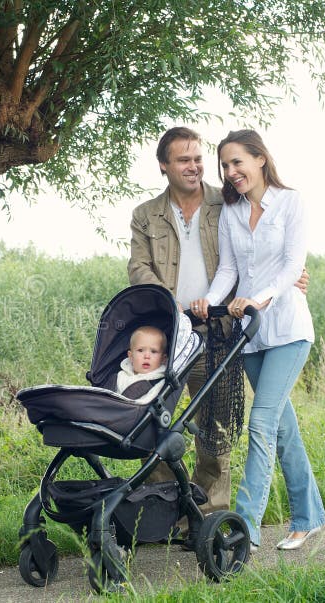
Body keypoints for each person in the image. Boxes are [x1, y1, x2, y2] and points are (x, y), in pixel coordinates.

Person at [190, 129, 325, 551]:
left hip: (286, 330)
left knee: (262, 424)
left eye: (237, 163)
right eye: (225, 166)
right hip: (249, 339)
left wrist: (259, 299)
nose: (231, 173)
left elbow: (291, 267)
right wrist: (208, 301)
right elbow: (228, 270)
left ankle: (243, 529)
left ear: (260, 159)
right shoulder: (231, 213)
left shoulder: (291, 203)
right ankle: (308, 517)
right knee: (284, 431)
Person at [128, 127, 235, 519]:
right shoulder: (145, 215)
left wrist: (295, 272)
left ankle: (211, 514)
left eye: (197, 158)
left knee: (214, 424)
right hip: (169, 335)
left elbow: (257, 246)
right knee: (156, 418)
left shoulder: (225, 203)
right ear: (164, 166)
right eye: (183, 160)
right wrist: (169, 303)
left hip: (218, 332)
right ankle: (166, 511)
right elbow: (138, 266)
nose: (194, 167)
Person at [113, 325, 168, 404]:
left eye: (153, 351)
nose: (147, 356)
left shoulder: (159, 382)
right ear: (131, 356)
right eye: (140, 350)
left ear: (163, 359)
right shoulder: (121, 376)